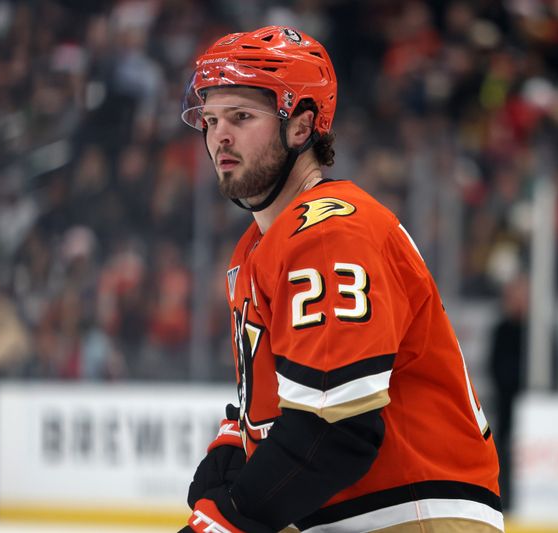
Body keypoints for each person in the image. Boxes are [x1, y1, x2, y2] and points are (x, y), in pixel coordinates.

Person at [179, 26, 502, 533]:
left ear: (302, 127)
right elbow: (277, 414)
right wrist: (228, 458)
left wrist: (231, 520)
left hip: (410, 513)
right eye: (212, 118)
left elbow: (335, 431)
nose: (219, 134)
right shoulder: (259, 247)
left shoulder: (329, 232)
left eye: (242, 117)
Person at [488, 275, 529, 513]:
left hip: (533, 402)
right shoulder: (502, 329)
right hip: (506, 402)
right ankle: (508, 501)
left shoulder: (538, 331)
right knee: (505, 451)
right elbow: (495, 367)